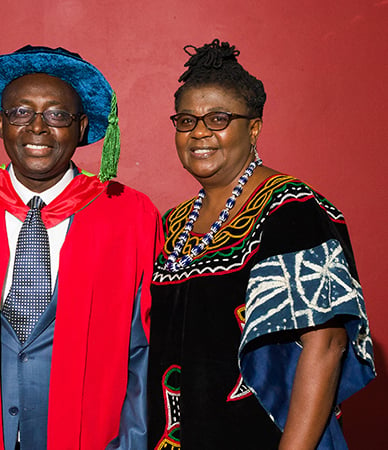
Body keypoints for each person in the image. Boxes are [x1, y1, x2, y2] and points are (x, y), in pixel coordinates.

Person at [0, 46, 161, 449]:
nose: (38, 128)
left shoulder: (129, 216)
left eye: (57, 115)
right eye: (21, 112)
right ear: (0, 123)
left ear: (81, 128)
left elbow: (143, 352)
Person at [148, 39, 375, 450]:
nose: (199, 132)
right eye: (186, 120)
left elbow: (326, 344)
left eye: (218, 119)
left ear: (253, 128)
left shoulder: (290, 208)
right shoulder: (172, 224)